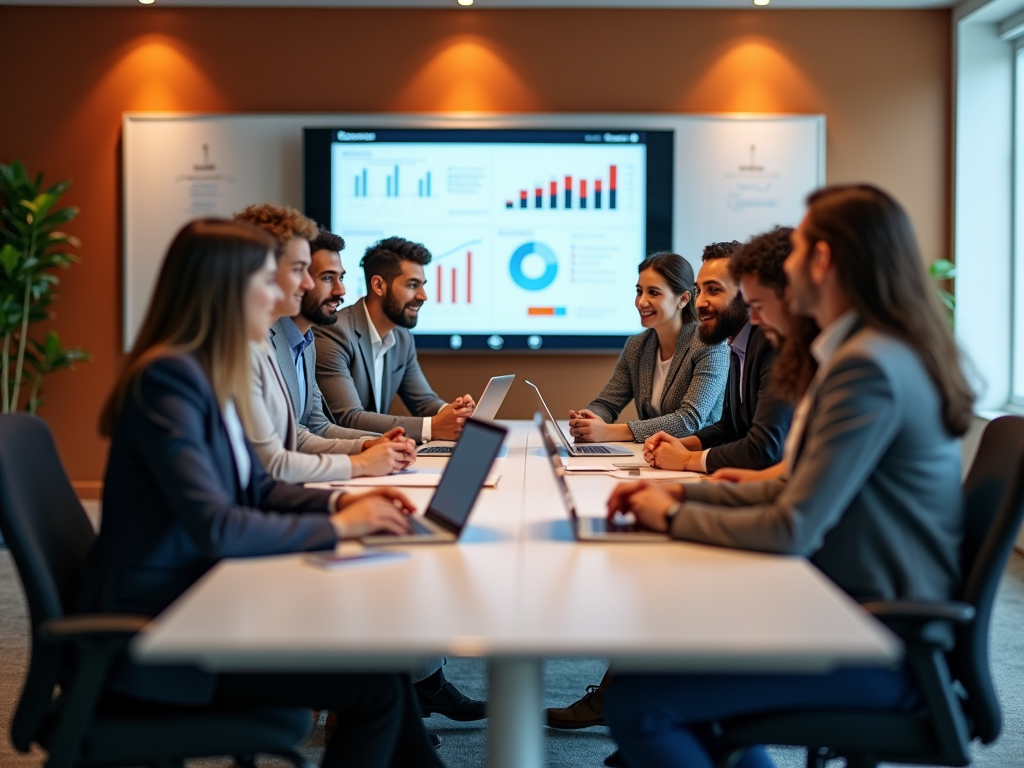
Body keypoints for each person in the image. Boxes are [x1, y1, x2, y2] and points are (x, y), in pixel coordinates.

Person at [602, 185, 976, 768]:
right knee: (663, 661)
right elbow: (790, 483)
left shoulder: (866, 368)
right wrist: (676, 493)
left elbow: (793, 526)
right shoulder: (866, 353)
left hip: (872, 640)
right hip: (851, 613)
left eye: (797, 248)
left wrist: (672, 515)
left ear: (822, 261)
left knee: (638, 699)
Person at [77, 218, 443, 768]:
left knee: (380, 661)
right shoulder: (169, 380)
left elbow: (256, 486)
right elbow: (219, 525)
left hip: (204, 597)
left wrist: (345, 503)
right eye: (273, 280)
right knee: (374, 681)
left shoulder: (207, 369)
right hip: (165, 627)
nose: (288, 292)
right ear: (227, 286)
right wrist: (341, 525)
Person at [246, 220, 415, 482]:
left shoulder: (307, 340)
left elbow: (315, 427)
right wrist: (361, 461)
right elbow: (282, 449)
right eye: (327, 278)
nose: (341, 291)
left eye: (341, 278)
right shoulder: (259, 342)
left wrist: (372, 444)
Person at [642, 228, 796, 474]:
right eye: (698, 291)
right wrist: (681, 445)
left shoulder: (771, 344)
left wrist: (685, 460)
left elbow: (764, 448)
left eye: (714, 290)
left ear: (746, 294)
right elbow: (729, 428)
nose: (700, 302)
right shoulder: (736, 345)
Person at [315, 237, 475, 443]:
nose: (423, 296)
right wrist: (433, 427)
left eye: (422, 285)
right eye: (412, 285)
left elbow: (424, 402)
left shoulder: (401, 337)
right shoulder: (334, 333)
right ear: (379, 285)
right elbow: (348, 418)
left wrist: (455, 414)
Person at [567, 249, 731, 444]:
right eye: (639, 291)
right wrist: (589, 419)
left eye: (653, 292)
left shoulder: (709, 344)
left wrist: (610, 432)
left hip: (698, 457)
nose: (642, 301)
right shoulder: (637, 345)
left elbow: (689, 421)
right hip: (652, 456)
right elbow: (607, 403)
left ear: (683, 299)